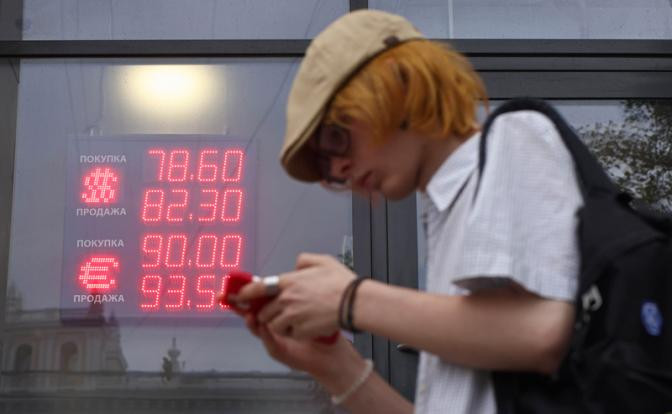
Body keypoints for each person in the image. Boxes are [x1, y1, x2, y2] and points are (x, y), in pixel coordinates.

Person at [230, 9, 582, 414]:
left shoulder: (513, 138)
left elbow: (544, 333)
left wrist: (349, 298)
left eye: (335, 138)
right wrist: (337, 368)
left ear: (400, 84)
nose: (339, 169)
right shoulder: (446, 215)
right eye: (325, 165)